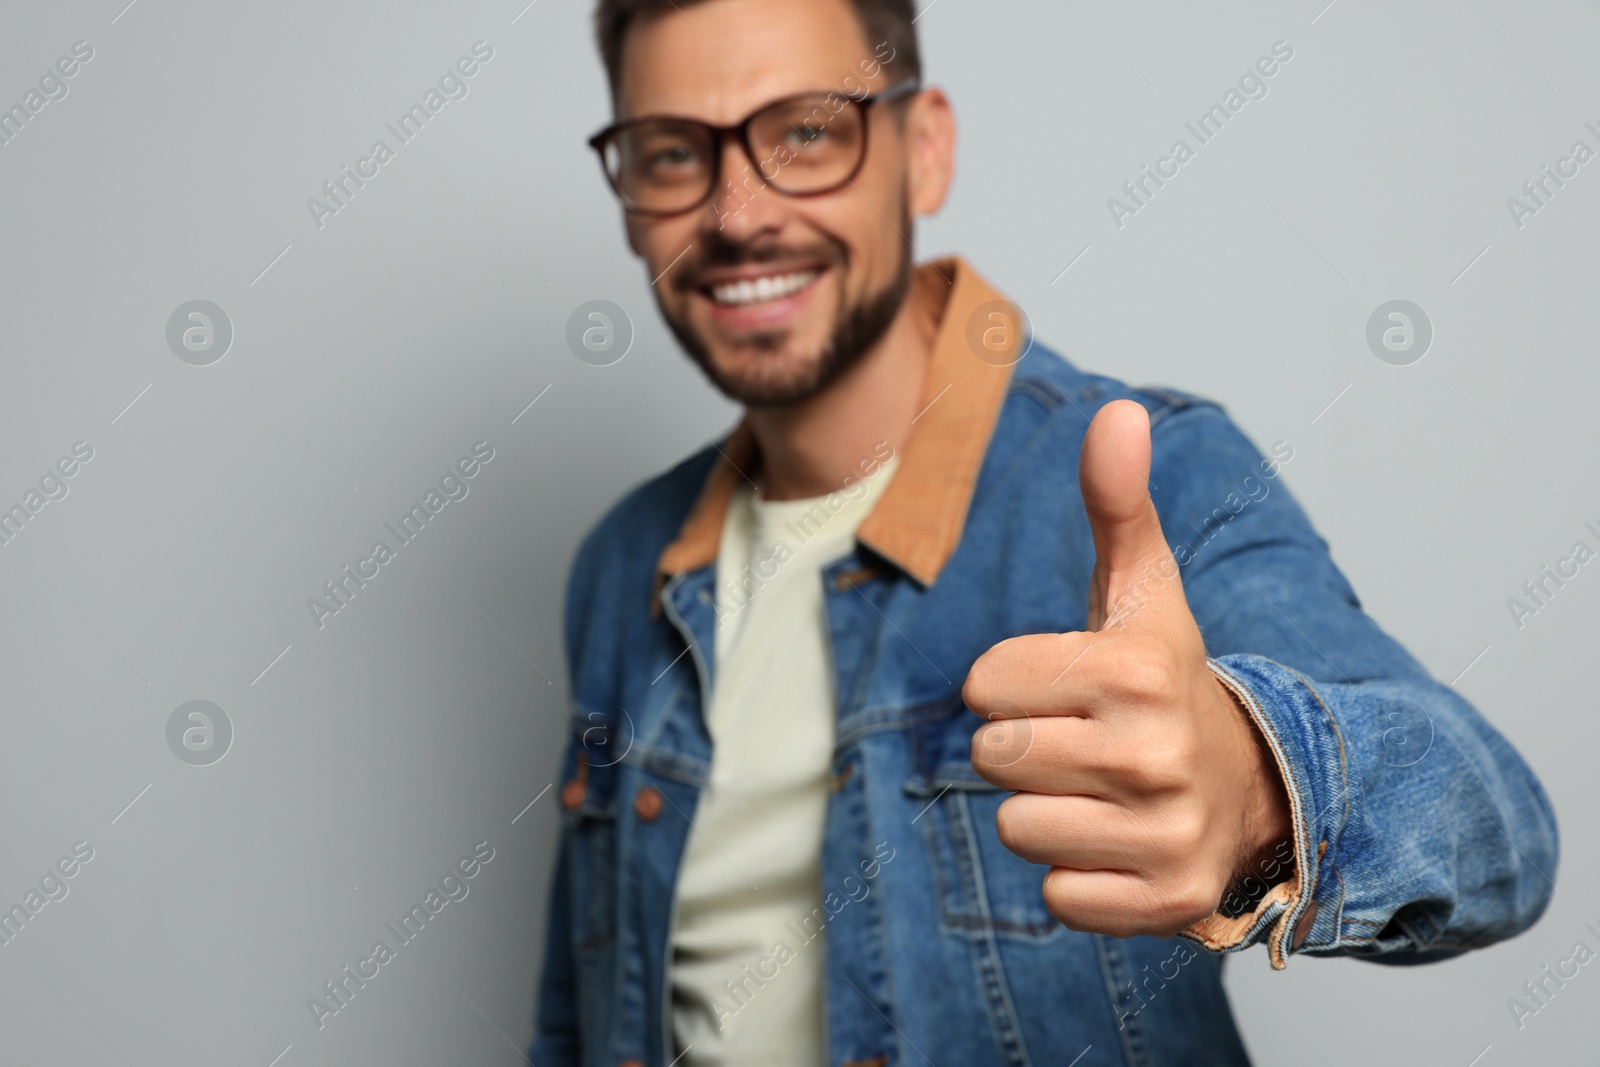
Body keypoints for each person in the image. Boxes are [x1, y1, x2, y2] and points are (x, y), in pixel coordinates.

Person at [531, 0, 1559, 1063]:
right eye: (668, 153)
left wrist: (1253, 788)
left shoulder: (1149, 473)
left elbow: (1496, 825)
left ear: (920, 151)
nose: (736, 214)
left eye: (803, 130)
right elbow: (575, 1016)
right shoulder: (621, 566)